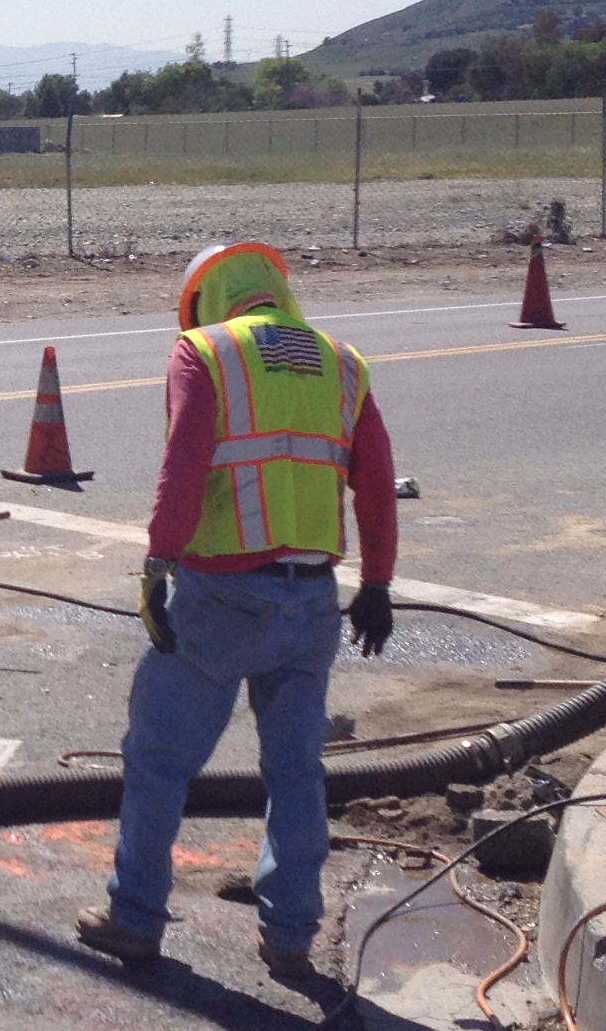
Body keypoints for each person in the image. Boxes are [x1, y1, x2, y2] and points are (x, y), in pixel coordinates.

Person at [77, 241, 399, 985]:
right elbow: (376, 482)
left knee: (158, 764)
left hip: (222, 597)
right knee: (296, 774)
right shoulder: (343, 364)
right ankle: (290, 937)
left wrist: (157, 563)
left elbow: (184, 465)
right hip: (313, 600)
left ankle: (135, 918)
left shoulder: (205, 352)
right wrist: (377, 583)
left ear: (205, 298)